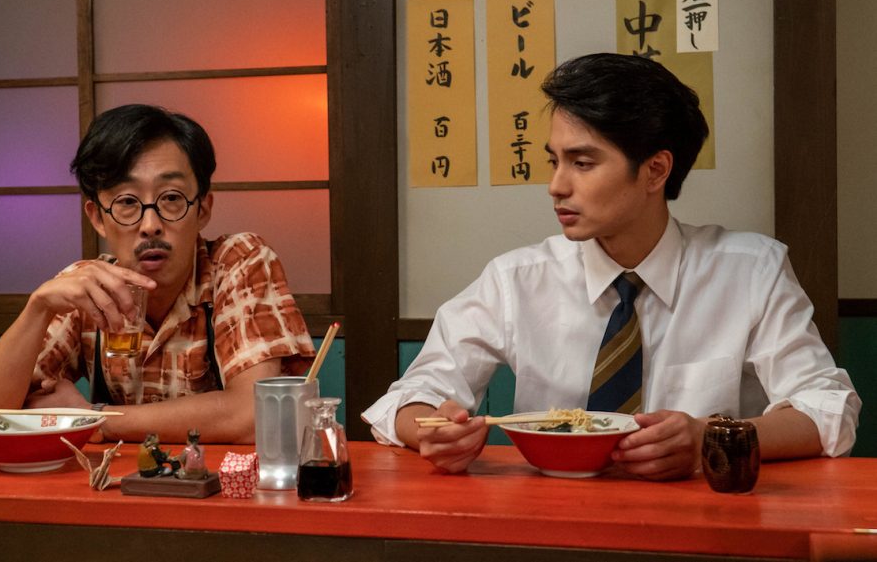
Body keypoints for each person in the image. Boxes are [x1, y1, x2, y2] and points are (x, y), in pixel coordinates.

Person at [362, 53, 860, 480]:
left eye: (582, 163)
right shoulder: (517, 279)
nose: (556, 186)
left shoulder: (751, 271)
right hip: (551, 518)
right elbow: (413, 396)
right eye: (554, 161)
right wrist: (433, 431)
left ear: (655, 170)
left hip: (703, 521)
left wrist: (710, 437)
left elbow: (826, 409)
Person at [0, 104, 315, 443]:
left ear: (203, 209)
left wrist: (93, 418)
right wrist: (37, 308)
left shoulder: (238, 262)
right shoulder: (86, 288)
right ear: (98, 218)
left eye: (171, 198)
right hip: (115, 482)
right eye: (127, 202)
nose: (150, 225)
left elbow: (256, 414)